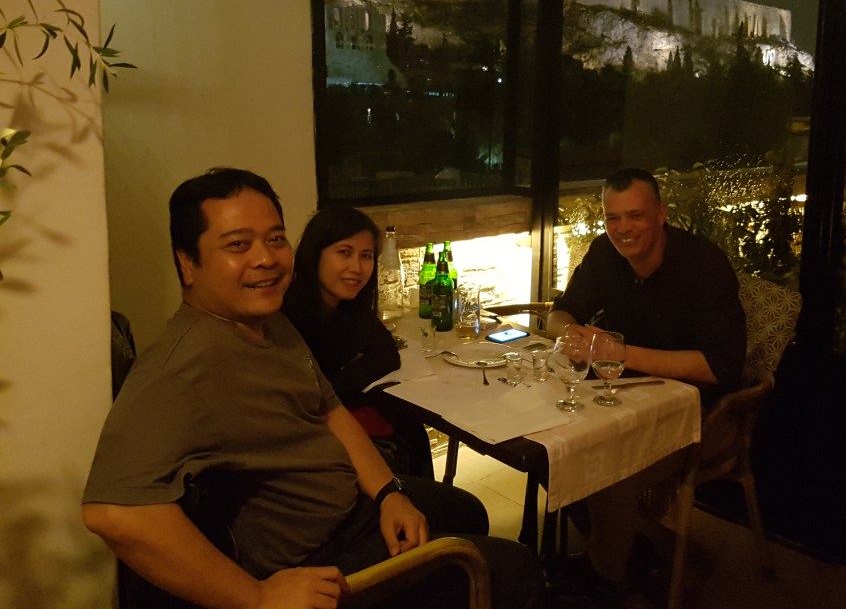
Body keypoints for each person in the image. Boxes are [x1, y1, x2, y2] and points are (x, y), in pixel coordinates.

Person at [81, 167, 544, 609]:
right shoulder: (180, 367)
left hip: (354, 508)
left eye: (274, 238)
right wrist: (254, 598)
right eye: (238, 244)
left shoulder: (271, 322)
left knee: (467, 510)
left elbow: (329, 408)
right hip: (322, 556)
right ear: (188, 264)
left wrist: (388, 493)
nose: (265, 258)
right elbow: (112, 511)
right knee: (517, 570)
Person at [546, 167, 746, 592]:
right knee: (557, 446)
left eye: (635, 216)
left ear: (660, 215)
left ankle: (606, 582)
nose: (623, 229)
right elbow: (560, 313)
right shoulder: (605, 253)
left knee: (607, 467)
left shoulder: (704, 264)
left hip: (701, 414)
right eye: (613, 218)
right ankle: (625, 549)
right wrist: (571, 334)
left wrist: (620, 353)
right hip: (624, 396)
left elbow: (720, 366)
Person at [282, 205, 432, 478]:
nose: (357, 268)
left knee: (411, 427)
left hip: (348, 421)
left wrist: (337, 384)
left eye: (366, 256)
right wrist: (343, 384)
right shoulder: (289, 314)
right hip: (317, 446)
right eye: (344, 253)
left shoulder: (349, 307)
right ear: (315, 253)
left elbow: (387, 355)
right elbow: (310, 400)